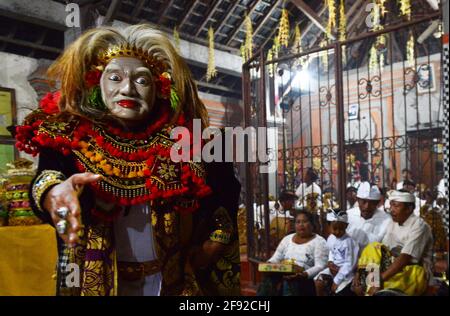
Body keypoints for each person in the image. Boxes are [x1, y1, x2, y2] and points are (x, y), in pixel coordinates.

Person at [15, 24, 239, 296]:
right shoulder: (70, 138)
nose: (128, 89)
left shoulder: (190, 144)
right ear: (97, 83)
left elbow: (225, 194)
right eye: (115, 78)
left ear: (160, 89)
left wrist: (216, 240)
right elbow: (48, 176)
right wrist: (53, 193)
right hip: (94, 283)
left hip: (171, 284)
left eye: (142, 80)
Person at [355, 190, 434, 296]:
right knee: (372, 247)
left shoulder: (419, 226)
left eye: (396, 206)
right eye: (391, 205)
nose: (391, 210)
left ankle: (370, 288)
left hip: (413, 271)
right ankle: (370, 287)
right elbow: (380, 251)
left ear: (409, 209)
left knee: (377, 285)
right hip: (392, 267)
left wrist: (379, 280)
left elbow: (405, 258)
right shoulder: (393, 222)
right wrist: (360, 274)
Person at [256, 211, 328, 296]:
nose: (301, 225)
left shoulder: (319, 241)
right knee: (268, 282)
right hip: (283, 274)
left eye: (305, 221)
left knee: (291, 282)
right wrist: (268, 264)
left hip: (305, 279)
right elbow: (276, 257)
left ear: (312, 224)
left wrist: (304, 274)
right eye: (298, 222)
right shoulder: (287, 239)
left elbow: (320, 266)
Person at [315, 210, 359, 296]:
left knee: (337, 291)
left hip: (345, 273)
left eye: (341, 229)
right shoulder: (331, 238)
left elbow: (349, 264)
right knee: (318, 282)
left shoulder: (349, 242)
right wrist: (330, 261)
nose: (338, 232)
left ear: (346, 226)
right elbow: (331, 250)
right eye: (335, 229)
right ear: (328, 226)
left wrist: (336, 280)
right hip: (333, 268)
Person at [346, 182, 390, 251]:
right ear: (357, 199)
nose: (367, 207)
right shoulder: (348, 216)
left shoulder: (386, 220)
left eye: (372, 203)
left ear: (377, 203)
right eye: (364, 202)